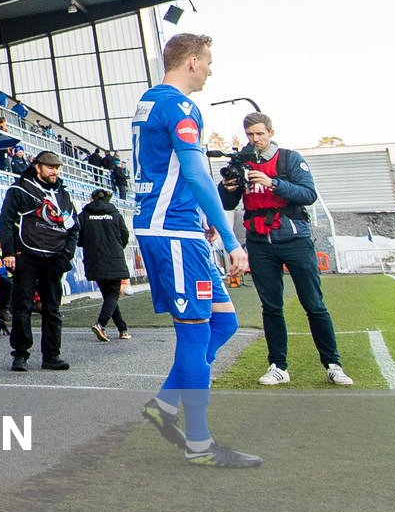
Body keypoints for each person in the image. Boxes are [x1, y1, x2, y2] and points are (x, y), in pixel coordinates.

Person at [131, 33, 259, 466]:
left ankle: (165, 402)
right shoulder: (181, 106)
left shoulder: (150, 100)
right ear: (189, 61)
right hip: (173, 232)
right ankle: (200, 445)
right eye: (207, 62)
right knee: (196, 330)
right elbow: (195, 172)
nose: (210, 70)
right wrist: (230, 238)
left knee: (224, 324)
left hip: (174, 226)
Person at [217, 112, 351, 386]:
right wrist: (229, 187)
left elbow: (308, 194)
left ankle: (333, 364)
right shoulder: (242, 163)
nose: (256, 140)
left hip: (295, 240)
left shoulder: (290, 159)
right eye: (251, 135)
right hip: (259, 242)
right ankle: (278, 365)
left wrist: (273, 183)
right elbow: (228, 204)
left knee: (314, 304)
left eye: (260, 134)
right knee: (271, 307)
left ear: (271, 132)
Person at [0, 150, 78, 372]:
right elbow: (5, 222)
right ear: (37, 167)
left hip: (54, 259)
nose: (55, 171)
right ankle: (21, 355)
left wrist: (66, 254)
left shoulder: (63, 194)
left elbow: (74, 228)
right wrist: (9, 253)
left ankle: (51, 356)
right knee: (22, 306)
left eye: (57, 167)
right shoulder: (19, 189)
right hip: (27, 257)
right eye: (50, 167)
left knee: (52, 309)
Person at [77, 188, 131, 342]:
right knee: (113, 294)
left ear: (92, 199)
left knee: (109, 295)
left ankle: (123, 329)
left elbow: (78, 237)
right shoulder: (115, 214)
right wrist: (116, 247)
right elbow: (124, 236)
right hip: (114, 258)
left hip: (94, 259)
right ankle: (101, 324)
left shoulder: (84, 215)